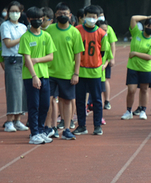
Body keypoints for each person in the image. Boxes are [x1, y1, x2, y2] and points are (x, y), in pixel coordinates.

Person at [46, 3, 83, 140]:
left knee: (66, 101)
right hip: (49, 72)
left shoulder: (74, 32)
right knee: (48, 100)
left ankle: (67, 129)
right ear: (55, 15)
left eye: (65, 14)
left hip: (67, 73)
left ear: (70, 15)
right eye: (60, 14)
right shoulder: (49, 30)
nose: (63, 16)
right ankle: (50, 127)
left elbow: (78, 54)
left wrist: (76, 73)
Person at [19, 7, 55, 145]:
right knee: (34, 105)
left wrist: (37, 60)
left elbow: (50, 56)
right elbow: (27, 59)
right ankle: (34, 133)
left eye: (41, 19)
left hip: (45, 75)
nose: (38, 21)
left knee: (45, 105)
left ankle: (41, 130)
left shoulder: (46, 36)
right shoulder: (26, 37)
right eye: (35, 19)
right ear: (29, 20)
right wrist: (34, 76)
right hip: (30, 76)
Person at [74, 5, 109, 136]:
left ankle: (97, 126)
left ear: (97, 18)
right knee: (80, 99)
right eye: (88, 16)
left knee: (97, 100)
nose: (91, 19)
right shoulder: (76, 30)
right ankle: (81, 125)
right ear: (84, 17)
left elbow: (103, 51)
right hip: (80, 71)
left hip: (94, 71)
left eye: (93, 17)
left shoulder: (101, 33)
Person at [121, 15, 151, 120]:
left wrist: (135, 53)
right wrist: (147, 16)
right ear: (145, 25)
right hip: (132, 67)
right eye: (148, 26)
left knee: (144, 89)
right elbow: (133, 18)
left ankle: (143, 110)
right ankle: (128, 111)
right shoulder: (136, 32)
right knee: (131, 90)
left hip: (145, 69)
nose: (150, 28)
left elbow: (149, 57)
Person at [0, 1, 29, 133]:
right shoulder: (5, 26)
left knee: (22, 90)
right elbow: (8, 43)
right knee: (13, 90)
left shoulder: (23, 27)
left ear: (21, 12)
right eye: (12, 11)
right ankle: (9, 121)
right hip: (11, 59)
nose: (14, 13)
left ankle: (18, 120)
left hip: (22, 59)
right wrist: (23, 38)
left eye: (17, 11)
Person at [98, 8, 117, 111]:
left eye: (102, 14)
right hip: (96, 60)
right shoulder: (96, 28)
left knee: (105, 79)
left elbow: (112, 43)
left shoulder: (108, 28)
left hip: (105, 58)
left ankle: (107, 101)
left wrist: (112, 58)